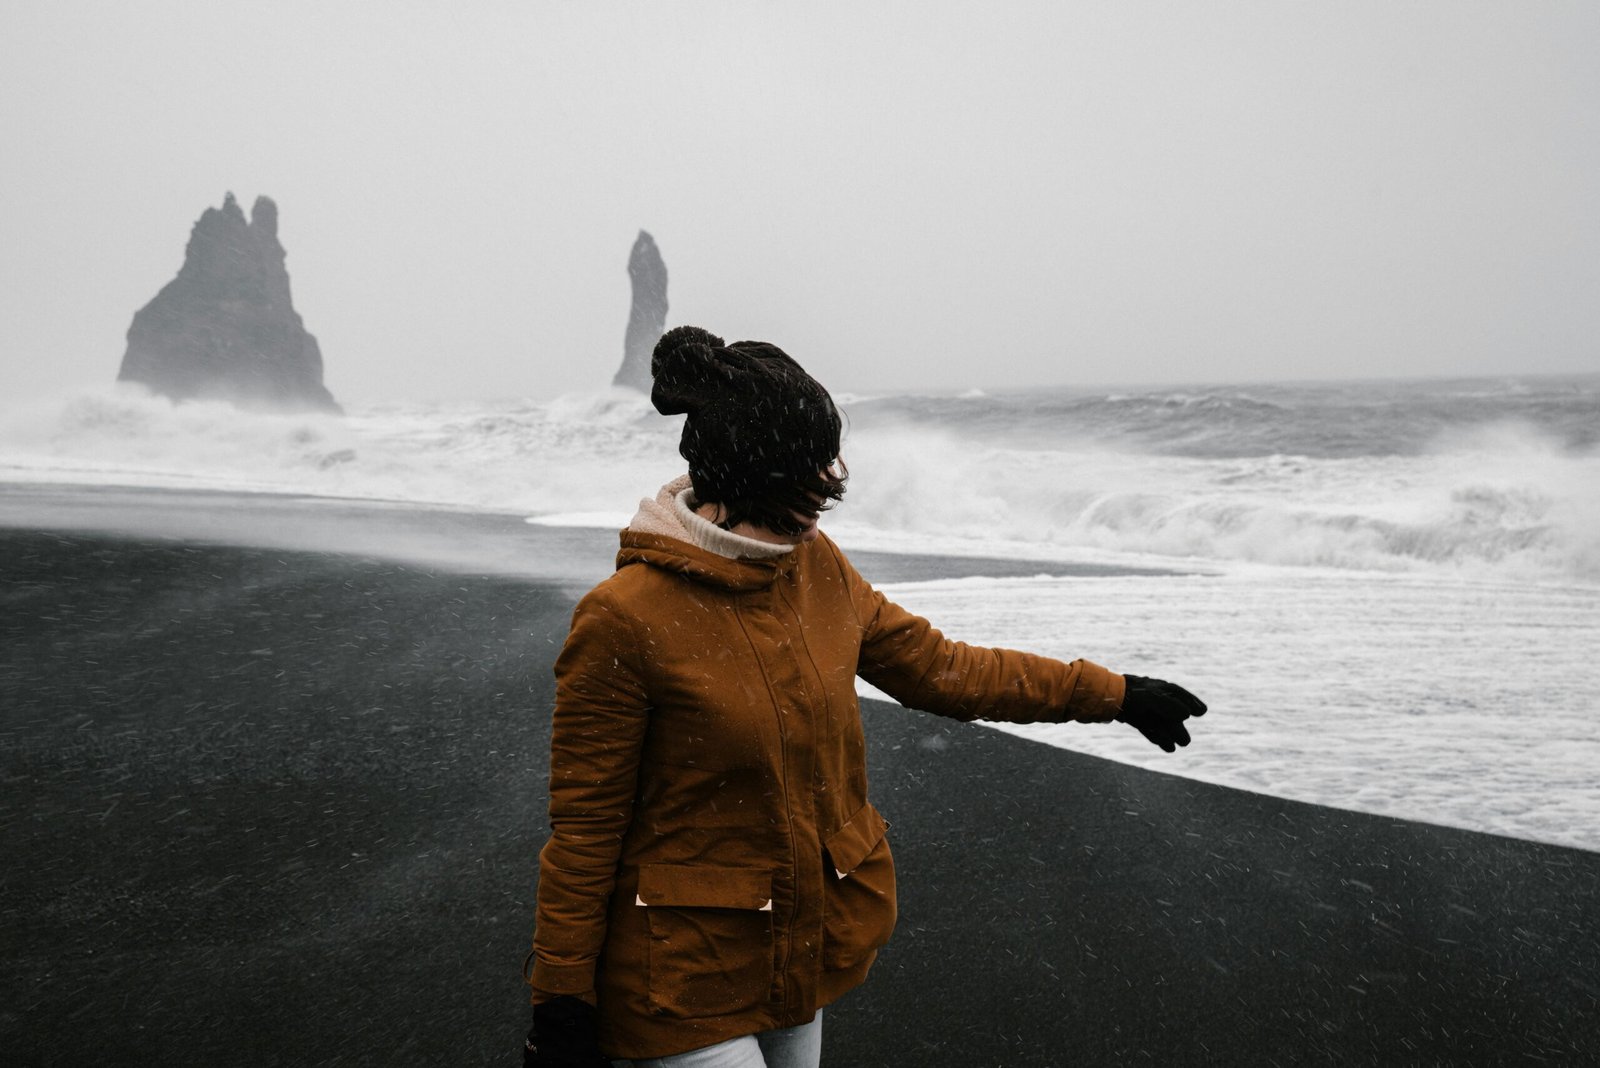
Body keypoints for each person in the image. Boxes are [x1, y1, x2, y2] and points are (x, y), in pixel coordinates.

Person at [523, 326, 1206, 1068]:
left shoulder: (814, 567)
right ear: (760, 472)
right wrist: (560, 999)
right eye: (812, 470)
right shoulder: (624, 617)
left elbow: (943, 668)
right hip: (679, 975)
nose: (828, 484)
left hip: (801, 950)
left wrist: (1114, 694)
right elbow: (586, 829)